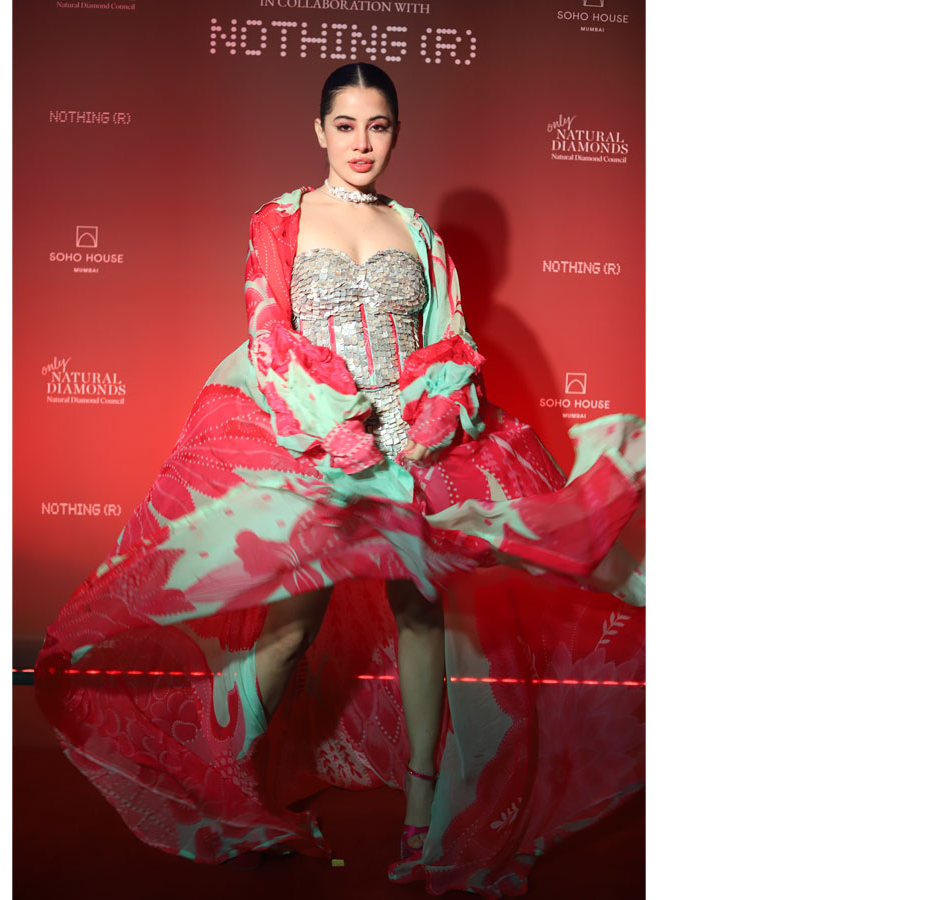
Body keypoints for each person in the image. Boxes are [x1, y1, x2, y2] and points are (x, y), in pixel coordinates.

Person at [33, 62, 646, 896]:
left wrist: (429, 414)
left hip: (412, 448)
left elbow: (453, 340)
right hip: (318, 444)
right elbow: (269, 336)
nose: (363, 143)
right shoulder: (280, 221)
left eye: (379, 126)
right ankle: (234, 788)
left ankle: (423, 816)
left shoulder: (418, 231)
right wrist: (335, 427)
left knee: (421, 612)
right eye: (347, 125)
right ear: (320, 130)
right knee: (293, 628)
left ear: (395, 133)